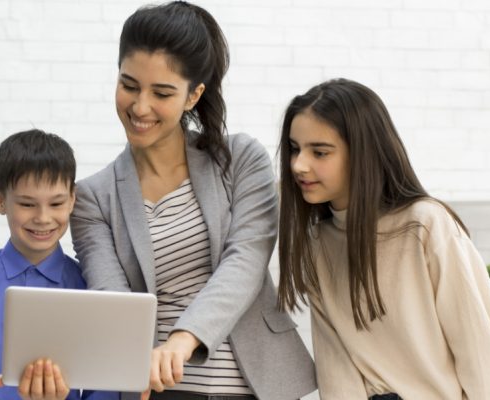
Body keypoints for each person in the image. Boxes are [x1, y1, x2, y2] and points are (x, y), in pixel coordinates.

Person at [70, 2, 316, 400]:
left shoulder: (241, 160)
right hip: (160, 388)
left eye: (162, 92)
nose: (140, 106)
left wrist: (183, 341)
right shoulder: (93, 198)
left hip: (256, 385)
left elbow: (246, 261)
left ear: (193, 95)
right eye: (129, 85)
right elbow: (111, 301)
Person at [276, 78, 490, 399]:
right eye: (295, 149)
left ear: (363, 153)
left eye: (320, 152)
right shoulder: (318, 246)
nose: (299, 165)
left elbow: (480, 354)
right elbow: (337, 371)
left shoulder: (425, 225)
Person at [0, 129, 117, 400]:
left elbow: (104, 388)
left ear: (73, 199)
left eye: (56, 203)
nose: (43, 218)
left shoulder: (91, 287)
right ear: (0, 199)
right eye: (28, 204)